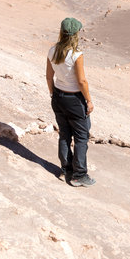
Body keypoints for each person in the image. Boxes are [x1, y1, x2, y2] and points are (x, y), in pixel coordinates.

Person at [46, 17, 95, 187]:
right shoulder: (76, 55)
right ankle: (79, 175)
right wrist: (88, 100)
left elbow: (48, 76)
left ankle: (66, 169)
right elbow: (82, 81)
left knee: (65, 134)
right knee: (81, 137)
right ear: (75, 35)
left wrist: (54, 94)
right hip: (74, 99)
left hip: (58, 97)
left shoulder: (52, 51)